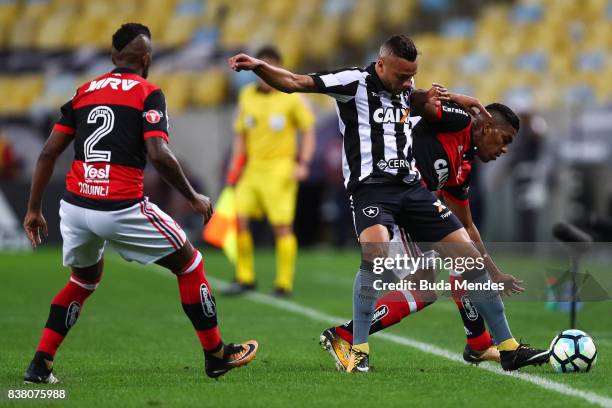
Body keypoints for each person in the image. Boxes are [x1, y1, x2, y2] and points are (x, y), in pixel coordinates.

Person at [229, 34, 549, 373]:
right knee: (377, 255)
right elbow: (295, 82)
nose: (407, 83)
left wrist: (456, 97)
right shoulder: (352, 82)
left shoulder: (411, 95)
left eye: (412, 75)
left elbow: (431, 100)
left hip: (412, 189)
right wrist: (261, 68)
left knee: (468, 258)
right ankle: (358, 347)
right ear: (381, 64)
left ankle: (508, 347)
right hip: (371, 189)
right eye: (401, 75)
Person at [22, 23, 258, 384]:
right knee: (190, 264)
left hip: (75, 206)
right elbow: (158, 154)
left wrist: (34, 209)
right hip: (120, 207)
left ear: (114, 56)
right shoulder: (148, 93)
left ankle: (40, 363)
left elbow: (48, 153)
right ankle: (216, 354)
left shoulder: (84, 91)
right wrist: (193, 196)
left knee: (83, 281)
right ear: (146, 59)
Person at [320, 101, 525, 370]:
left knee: (431, 284)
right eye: (504, 139)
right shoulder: (455, 122)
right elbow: (419, 103)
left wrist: (495, 273)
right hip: (395, 203)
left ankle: (479, 343)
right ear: (487, 127)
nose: (505, 149)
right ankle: (480, 343)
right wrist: (454, 98)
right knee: (448, 270)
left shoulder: (461, 163)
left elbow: (467, 224)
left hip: (417, 211)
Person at [223, 46, 316, 297]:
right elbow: (241, 135)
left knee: (281, 227)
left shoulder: (292, 97)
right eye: (258, 66)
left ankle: (283, 283)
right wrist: (235, 166)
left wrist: (303, 163)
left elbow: (308, 130)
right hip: (252, 170)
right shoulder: (246, 96)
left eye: (267, 66)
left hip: (280, 170)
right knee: (240, 221)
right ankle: (245, 277)